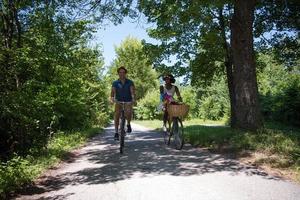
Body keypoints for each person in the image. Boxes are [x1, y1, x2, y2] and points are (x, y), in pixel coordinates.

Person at [110, 66, 135, 140]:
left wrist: (133, 99)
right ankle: (116, 132)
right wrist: (112, 99)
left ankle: (128, 124)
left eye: (123, 72)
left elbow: (132, 92)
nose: (122, 74)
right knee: (116, 114)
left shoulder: (130, 82)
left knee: (129, 112)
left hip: (128, 100)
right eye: (120, 72)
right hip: (118, 101)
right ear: (118, 73)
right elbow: (112, 93)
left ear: (125, 73)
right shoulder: (115, 83)